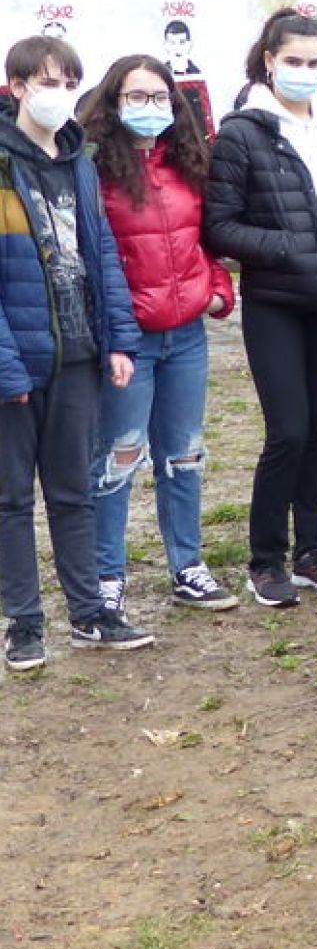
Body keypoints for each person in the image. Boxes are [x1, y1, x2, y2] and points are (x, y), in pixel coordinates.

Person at [2, 36, 150, 671]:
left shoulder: (79, 162)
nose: (58, 94)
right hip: (16, 364)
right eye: (45, 81)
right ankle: (24, 624)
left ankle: (90, 613)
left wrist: (118, 339)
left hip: (80, 357)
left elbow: (102, 256)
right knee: (10, 499)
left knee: (73, 493)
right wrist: (6, 366)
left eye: (69, 81)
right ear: (14, 88)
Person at [204, 9, 317, 607]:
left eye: (315, 63)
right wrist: (287, 246)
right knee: (288, 430)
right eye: (293, 61)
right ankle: (265, 557)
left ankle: (313, 552)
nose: (304, 71)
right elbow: (219, 227)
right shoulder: (242, 132)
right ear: (269, 60)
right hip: (275, 300)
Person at [80, 55, 237, 614]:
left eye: (160, 98)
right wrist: (116, 328)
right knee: (119, 455)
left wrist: (217, 289)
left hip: (187, 334)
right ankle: (105, 577)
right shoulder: (93, 170)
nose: (150, 108)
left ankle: (187, 565)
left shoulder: (191, 163)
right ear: (114, 102)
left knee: (185, 453)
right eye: (136, 96)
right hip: (130, 339)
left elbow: (209, 236)